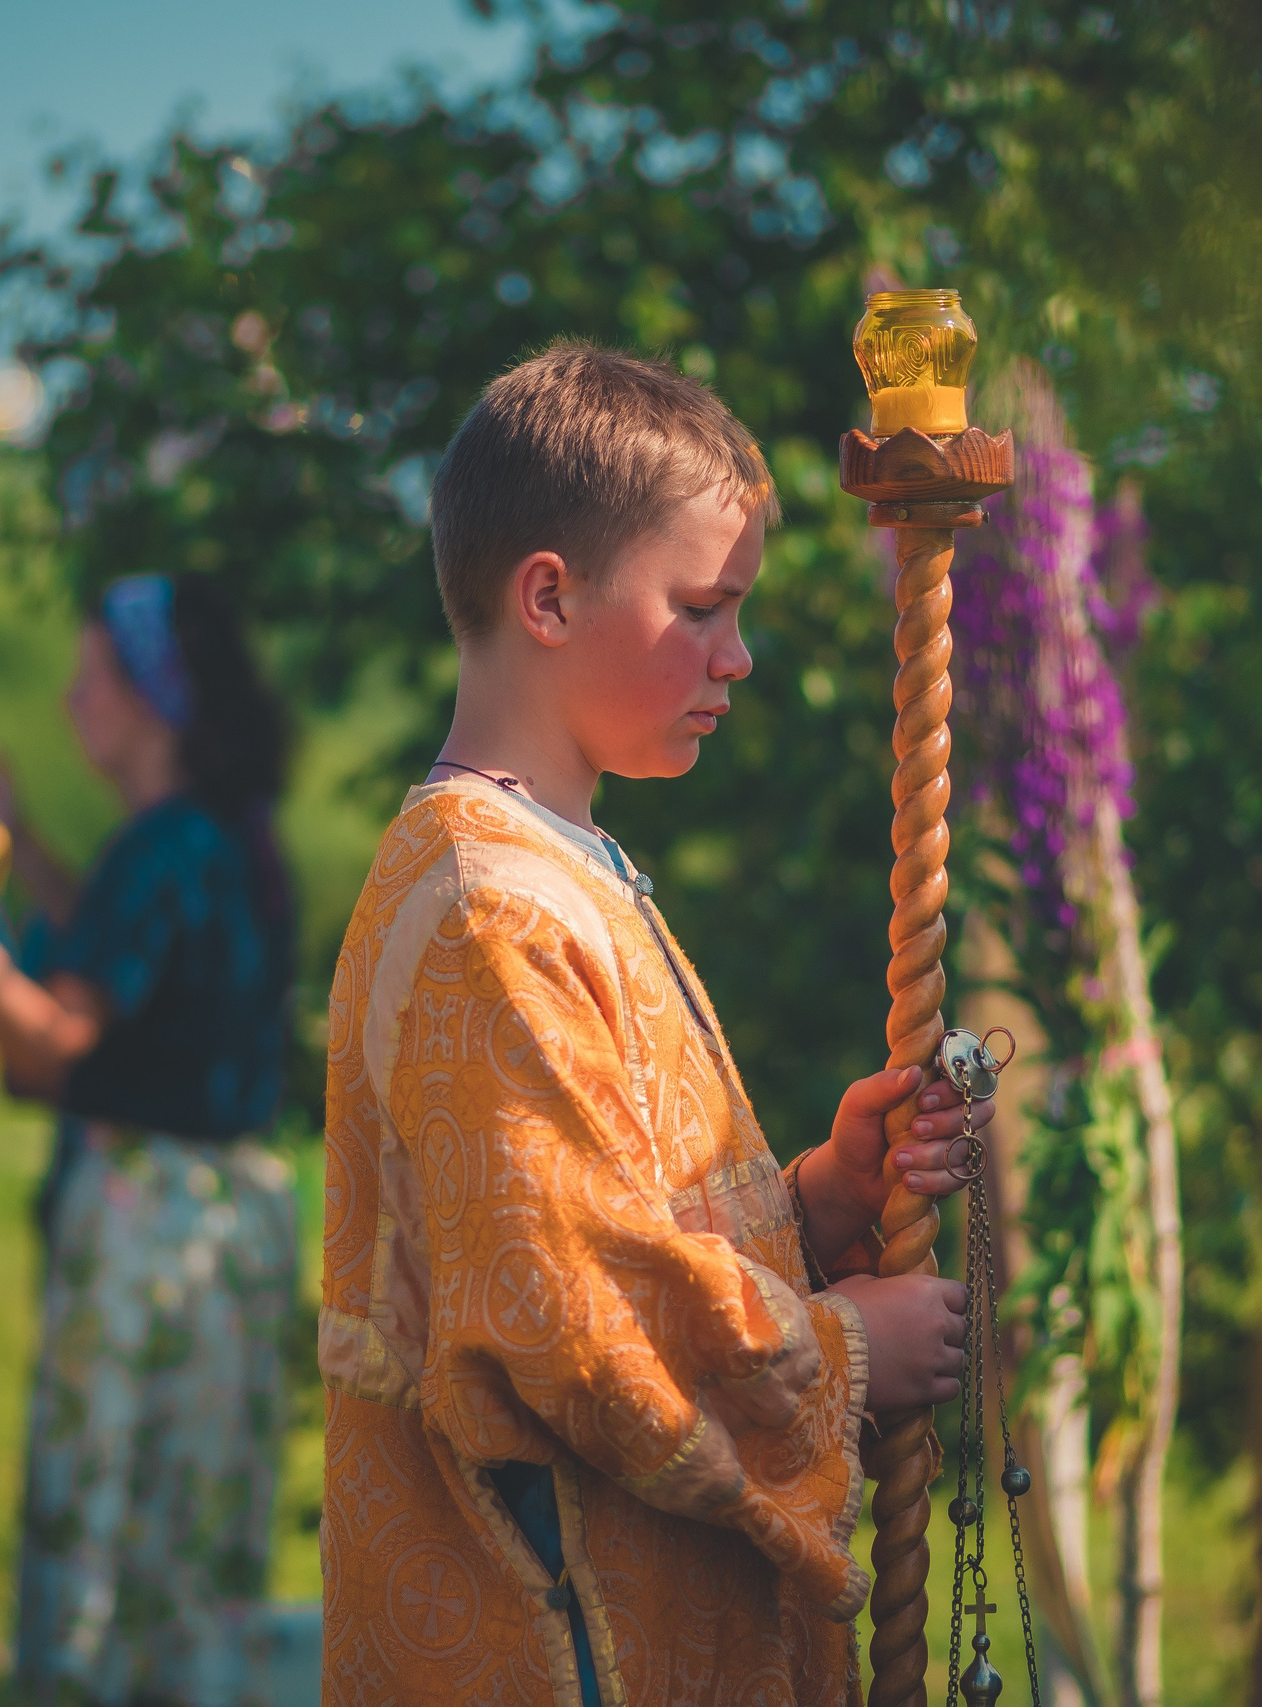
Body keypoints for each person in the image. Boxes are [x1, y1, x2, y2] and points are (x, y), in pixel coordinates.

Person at [318, 343, 989, 1705]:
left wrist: (813, 1202)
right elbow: (569, 1306)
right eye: (701, 606)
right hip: (560, 1636)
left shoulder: (556, 863)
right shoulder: (487, 909)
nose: (737, 652)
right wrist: (845, 1349)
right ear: (550, 596)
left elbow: (592, 1211)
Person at [0, 572, 298, 1707]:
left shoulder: (159, 846)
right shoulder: (223, 837)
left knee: (103, 1522)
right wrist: (18, 839)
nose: (73, 703)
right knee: (192, 1530)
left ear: (151, 700)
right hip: (237, 1221)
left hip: (141, 1228)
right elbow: (125, 961)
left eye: (90, 679)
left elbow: (47, 1040)